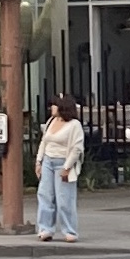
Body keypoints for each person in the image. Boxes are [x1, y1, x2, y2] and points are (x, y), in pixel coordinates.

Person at [35, 95, 85, 242]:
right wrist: (39, 161)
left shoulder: (74, 125)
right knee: (45, 195)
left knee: (65, 199)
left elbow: (76, 148)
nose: (52, 108)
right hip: (48, 161)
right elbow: (44, 142)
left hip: (63, 162)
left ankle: (70, 230)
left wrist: (67, 167)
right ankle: (45, 229)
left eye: (55, 105)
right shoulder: (51, 121)